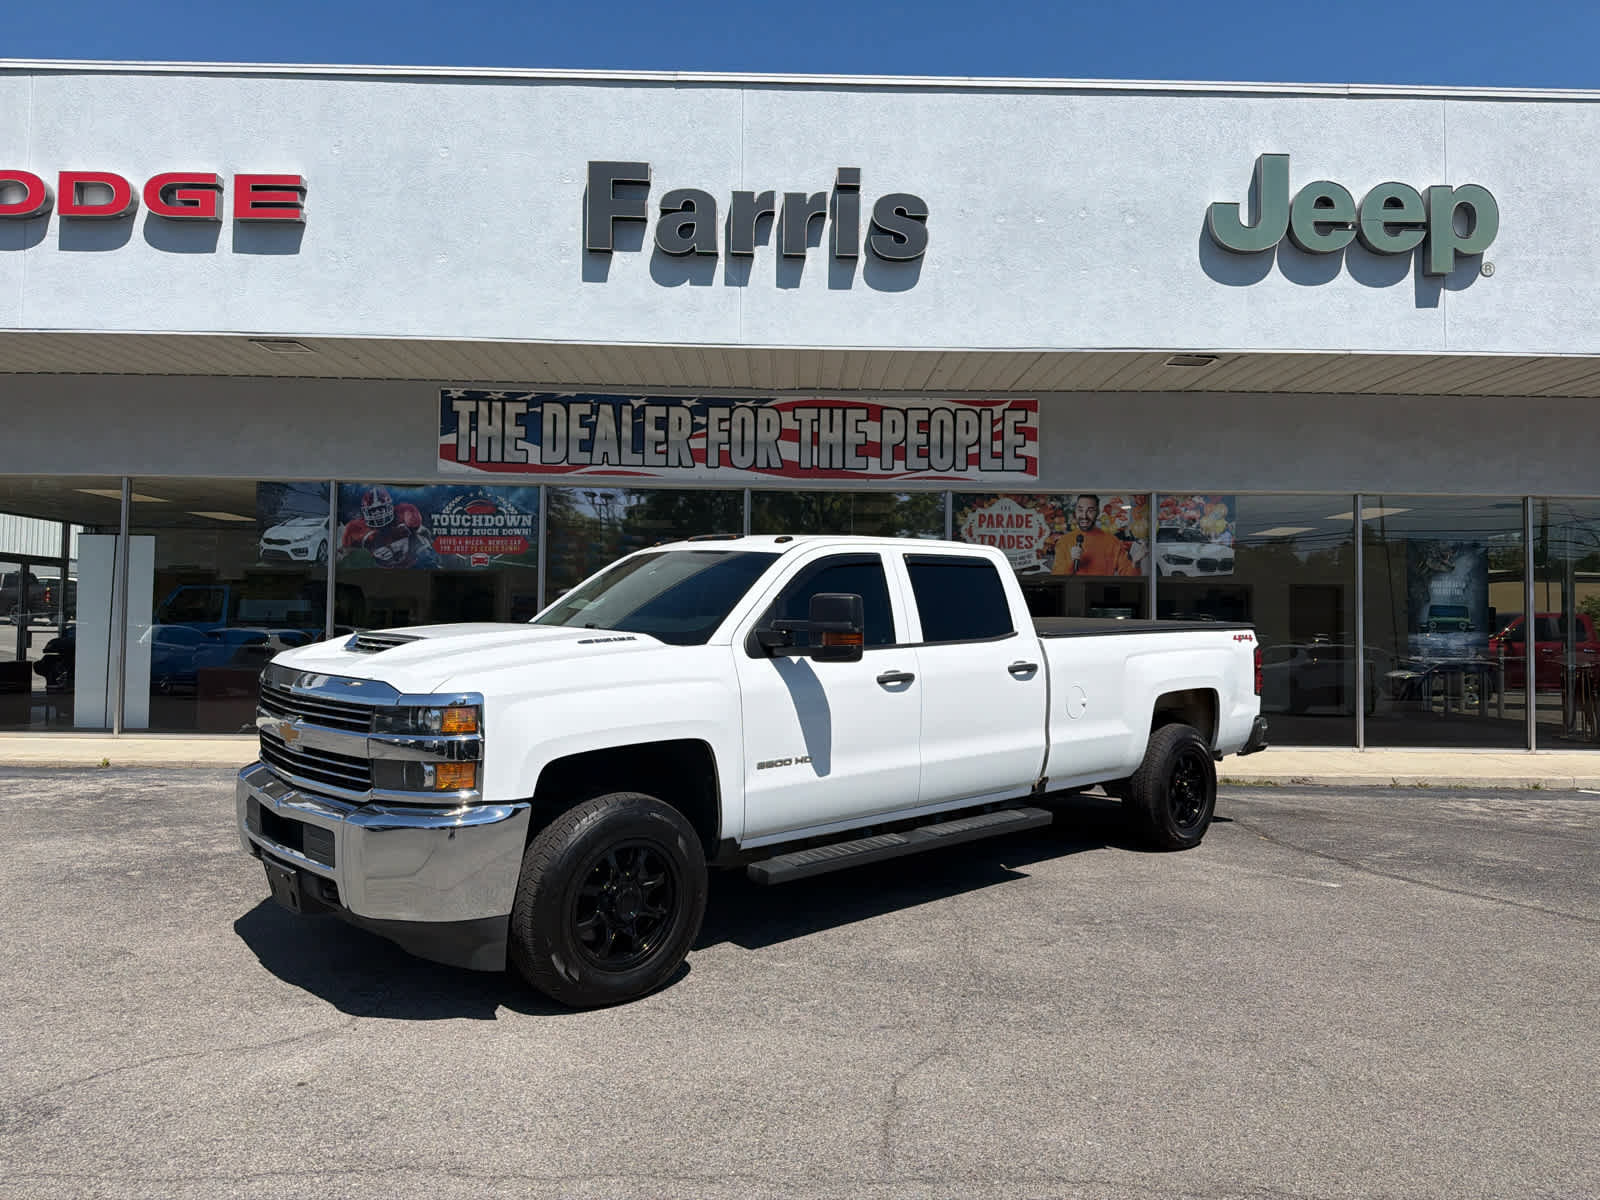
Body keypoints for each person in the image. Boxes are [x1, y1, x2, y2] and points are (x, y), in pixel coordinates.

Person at [1053, 494, 1137, 576]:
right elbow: (1056, 580)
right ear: (1075, 512)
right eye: (1080, 510)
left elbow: (1129, 576)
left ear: (1098, 512)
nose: (1084, 516)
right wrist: (1071, 561)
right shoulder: (1064, 542)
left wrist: (1136, 563)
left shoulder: (1112, 542)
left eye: (1090, 511)